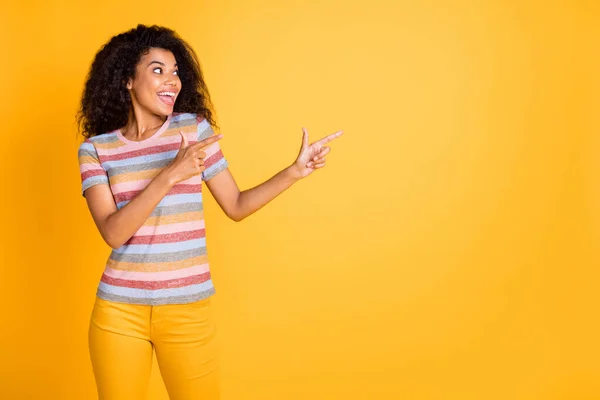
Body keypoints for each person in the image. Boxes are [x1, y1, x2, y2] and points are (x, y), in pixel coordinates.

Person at [76, 24, 343, 400]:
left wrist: (294, 172)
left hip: (188, 309)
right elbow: (113, 233)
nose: (172, 81)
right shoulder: (96, 149)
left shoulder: (194, 130)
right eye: (157, 70)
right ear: (126, 80)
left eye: (175, 72)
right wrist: (172, 173)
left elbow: (236, 206)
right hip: (118, 312)